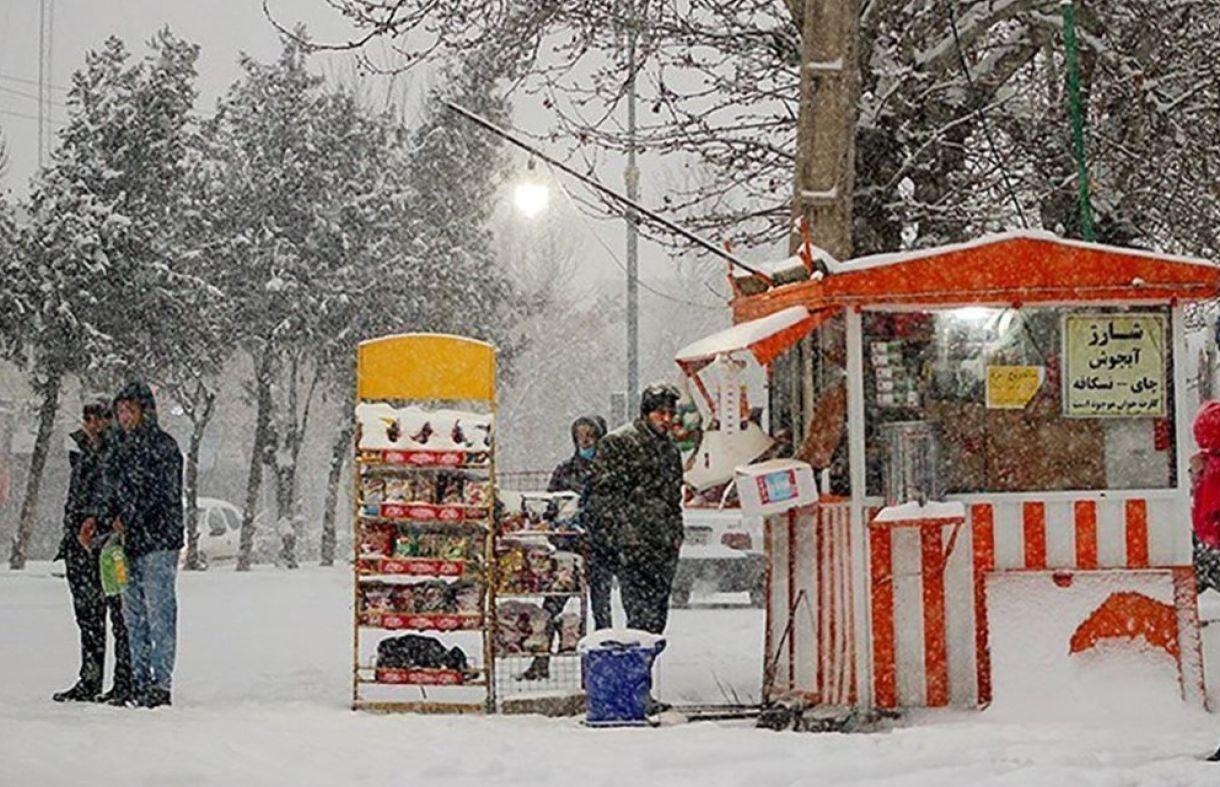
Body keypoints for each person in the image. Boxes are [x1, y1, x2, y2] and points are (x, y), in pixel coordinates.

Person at [92, 381, 184, 709]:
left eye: (130, 410)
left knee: (159, 611)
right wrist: (106, 520)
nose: (124, 417)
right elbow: (108, 490)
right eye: (120, 411)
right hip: (128, 544)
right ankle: (140, 680)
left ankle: (160, 682)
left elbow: (161, 494)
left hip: (158, 541)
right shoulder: (119, 447)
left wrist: (127, 519)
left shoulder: (162, 447)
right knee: (133, 615)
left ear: (145, 411)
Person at [585, 384, 685, 635]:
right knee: (640, 618)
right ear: (646, 413)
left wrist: (673, 535)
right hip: (633, 548)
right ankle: (636, 670)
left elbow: (673, 498)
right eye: (660, 413)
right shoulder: (619, 443)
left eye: (670, 413)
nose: (666, 419)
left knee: (656, 619)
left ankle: (642, 668)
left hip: (662, 545)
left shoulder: (669, 449)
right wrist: (623, 538)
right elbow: (604, 496)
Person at [52, 401, 133, 704]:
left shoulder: (119, 453)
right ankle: (90, 678)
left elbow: (115, 496)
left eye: (100, 416)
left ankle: (124, 680)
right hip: (79, 546)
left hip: (109, 546)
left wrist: (100, 523)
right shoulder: (84, 452)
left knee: (120, 615)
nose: (93, 422)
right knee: (87, 616)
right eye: (88, 416)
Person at [520, 415, 607, 680]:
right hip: (568, 553)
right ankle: (540, 662)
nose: (585, 440)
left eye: (590, 434)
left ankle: (601, 668)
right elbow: (550, 505)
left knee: (601, 613)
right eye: (580, 435)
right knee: (550, 608)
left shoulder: (609, 471)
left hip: (599, 551)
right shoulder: (565, 470)